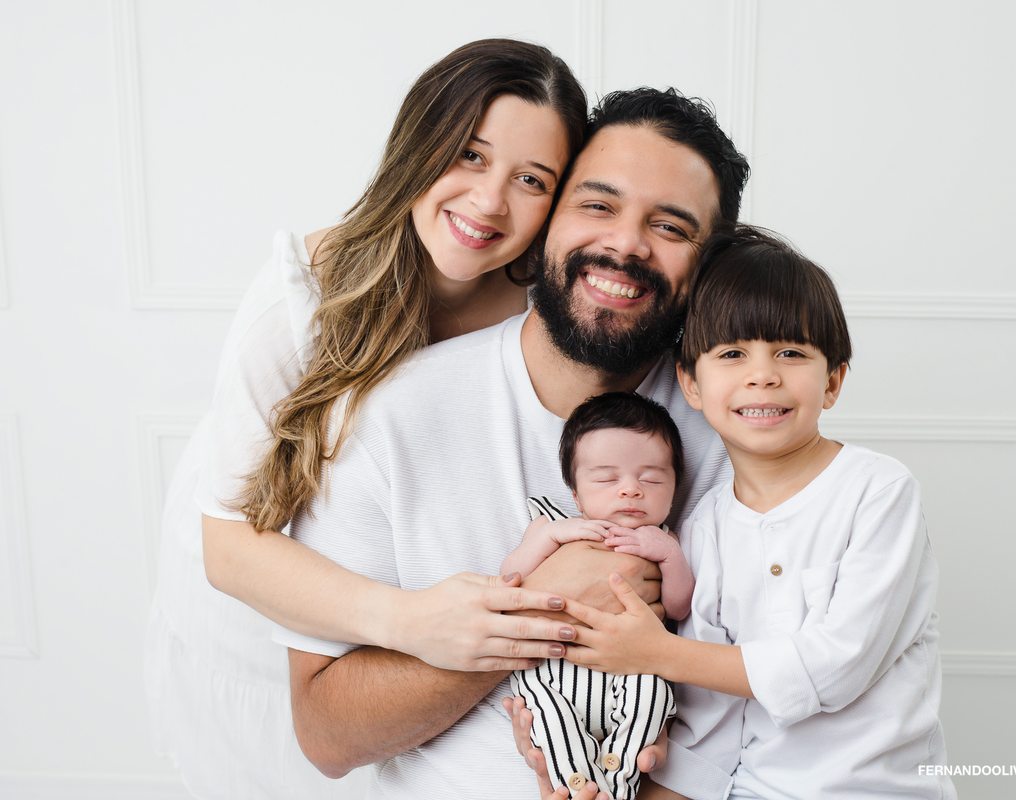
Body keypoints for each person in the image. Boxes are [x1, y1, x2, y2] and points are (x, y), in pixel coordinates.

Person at [143, 39, 587, 800]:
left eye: (530, 180)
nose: (489, 202)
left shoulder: (541, 311)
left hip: (415, 621)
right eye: (470, 157)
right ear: (421, 146)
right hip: (266, 608)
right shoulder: (309, 287)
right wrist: (411, 622)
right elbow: (229, 547)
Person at [276, 87, 750, 799]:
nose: (625, 244)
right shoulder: (390, 415)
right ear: (545, 221)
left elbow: (774, 701)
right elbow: (325, 734)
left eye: (672, 226)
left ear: (709, 265)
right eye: (597, 204)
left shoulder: (738, 438)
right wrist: (534, 612)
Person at [553, 226, 956, 799]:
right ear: (691, 384)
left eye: (790, 353)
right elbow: (711, 714)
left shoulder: (877, 489)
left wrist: (659, 652)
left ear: (833, 380)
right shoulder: (703, 526)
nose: (762, 374)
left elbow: (838, 665)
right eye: (733, 354)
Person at [505, 392, 694, 800]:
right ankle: (577, 787)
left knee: (656, 696)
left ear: (675, 488)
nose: (630, 490)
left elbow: (678, 608)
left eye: (651, 478)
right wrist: (552, 538)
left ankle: (616, 783)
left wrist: (671, 557)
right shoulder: (550, 525)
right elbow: (510, 580)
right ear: (575, 494)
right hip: (555, 675)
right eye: (608, 479)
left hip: (634, 672)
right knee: (544, 715)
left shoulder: (664, 540)